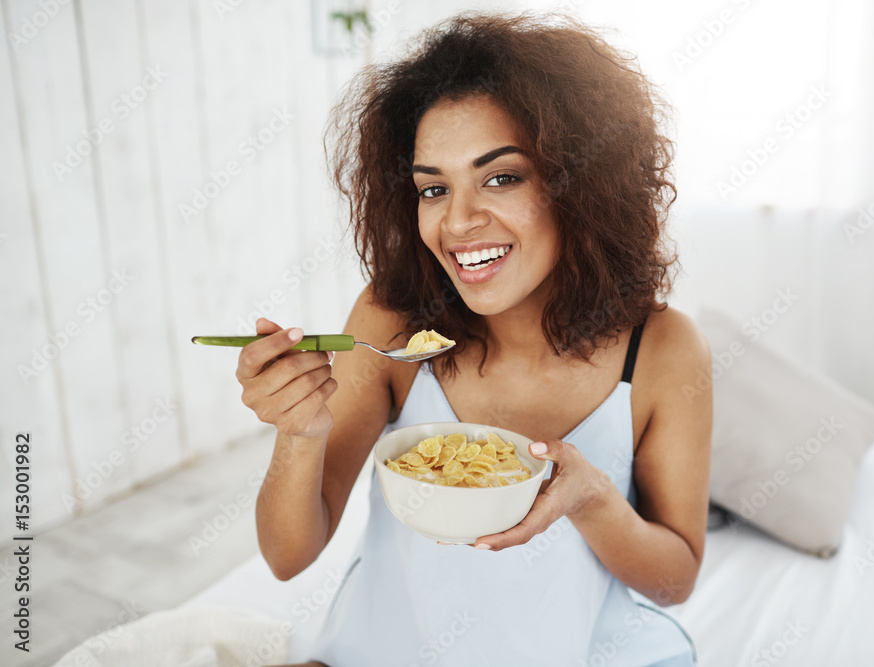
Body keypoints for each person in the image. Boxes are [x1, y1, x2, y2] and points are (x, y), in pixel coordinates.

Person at [235, 11, 712, 666]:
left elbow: (675, 578)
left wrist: (592, 497)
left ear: (584, 184)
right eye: (434, 187)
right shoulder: (391, 320)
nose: (458, 221)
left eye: (501, 177)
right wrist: (298, 433)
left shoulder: (662, 349)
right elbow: (289, 557)